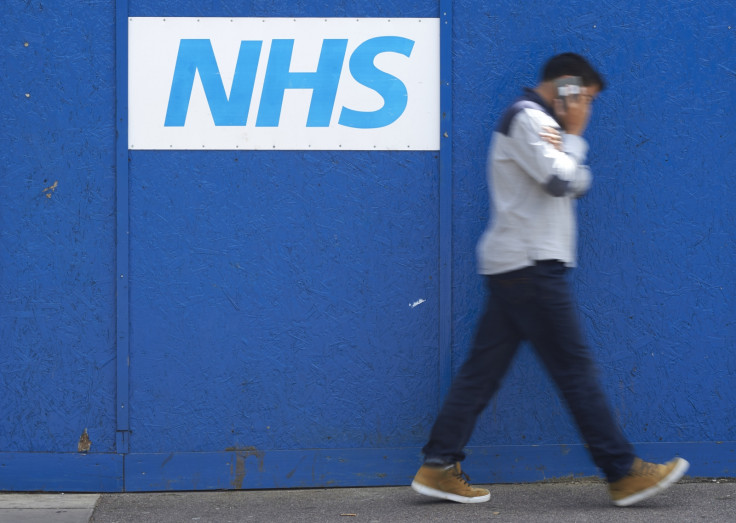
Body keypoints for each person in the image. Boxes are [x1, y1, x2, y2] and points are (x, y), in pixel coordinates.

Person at [410, 53, 689, 507]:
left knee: (481, 373)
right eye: (586, 98)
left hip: (519, 266)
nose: (587, 108)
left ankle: (438, 465)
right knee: (574, 371)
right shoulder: (529, 118)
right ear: (567, 86)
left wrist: (570, 150)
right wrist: (575, 137)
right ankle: (622, 472)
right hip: (531, 266)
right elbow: (562, 181)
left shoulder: (536, 122)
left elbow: (564, 180)